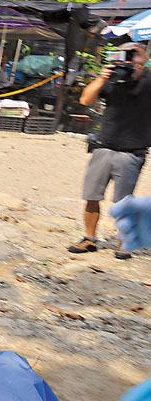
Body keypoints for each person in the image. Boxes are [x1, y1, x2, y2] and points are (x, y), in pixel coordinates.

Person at [68, 42, 151, 260]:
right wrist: (103, 77)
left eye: (132, 55)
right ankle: (89, 239)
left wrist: (145, 64)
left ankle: (123, 243)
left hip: (132, 151)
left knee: (124, 202)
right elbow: (86, 99)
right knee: (91, 196)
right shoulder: (112, 79)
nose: (128, 60)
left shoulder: (148, 80)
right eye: (124, 55)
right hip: (104, 146)